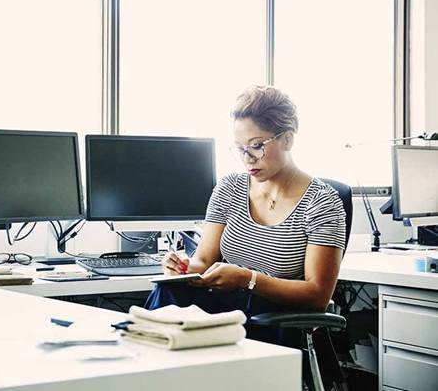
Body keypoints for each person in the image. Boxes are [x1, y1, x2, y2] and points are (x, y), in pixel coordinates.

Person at [147, 86, 346, 335]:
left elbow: (317, 295)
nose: (247, 158)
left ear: (288, 139)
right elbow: (204, 260)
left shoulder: (322, 203)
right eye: (240, 147)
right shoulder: (230, 188)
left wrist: (248, 279)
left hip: (274, 314)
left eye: (256, 145)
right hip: (226, 306)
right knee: (168, 291)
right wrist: (182, 268)